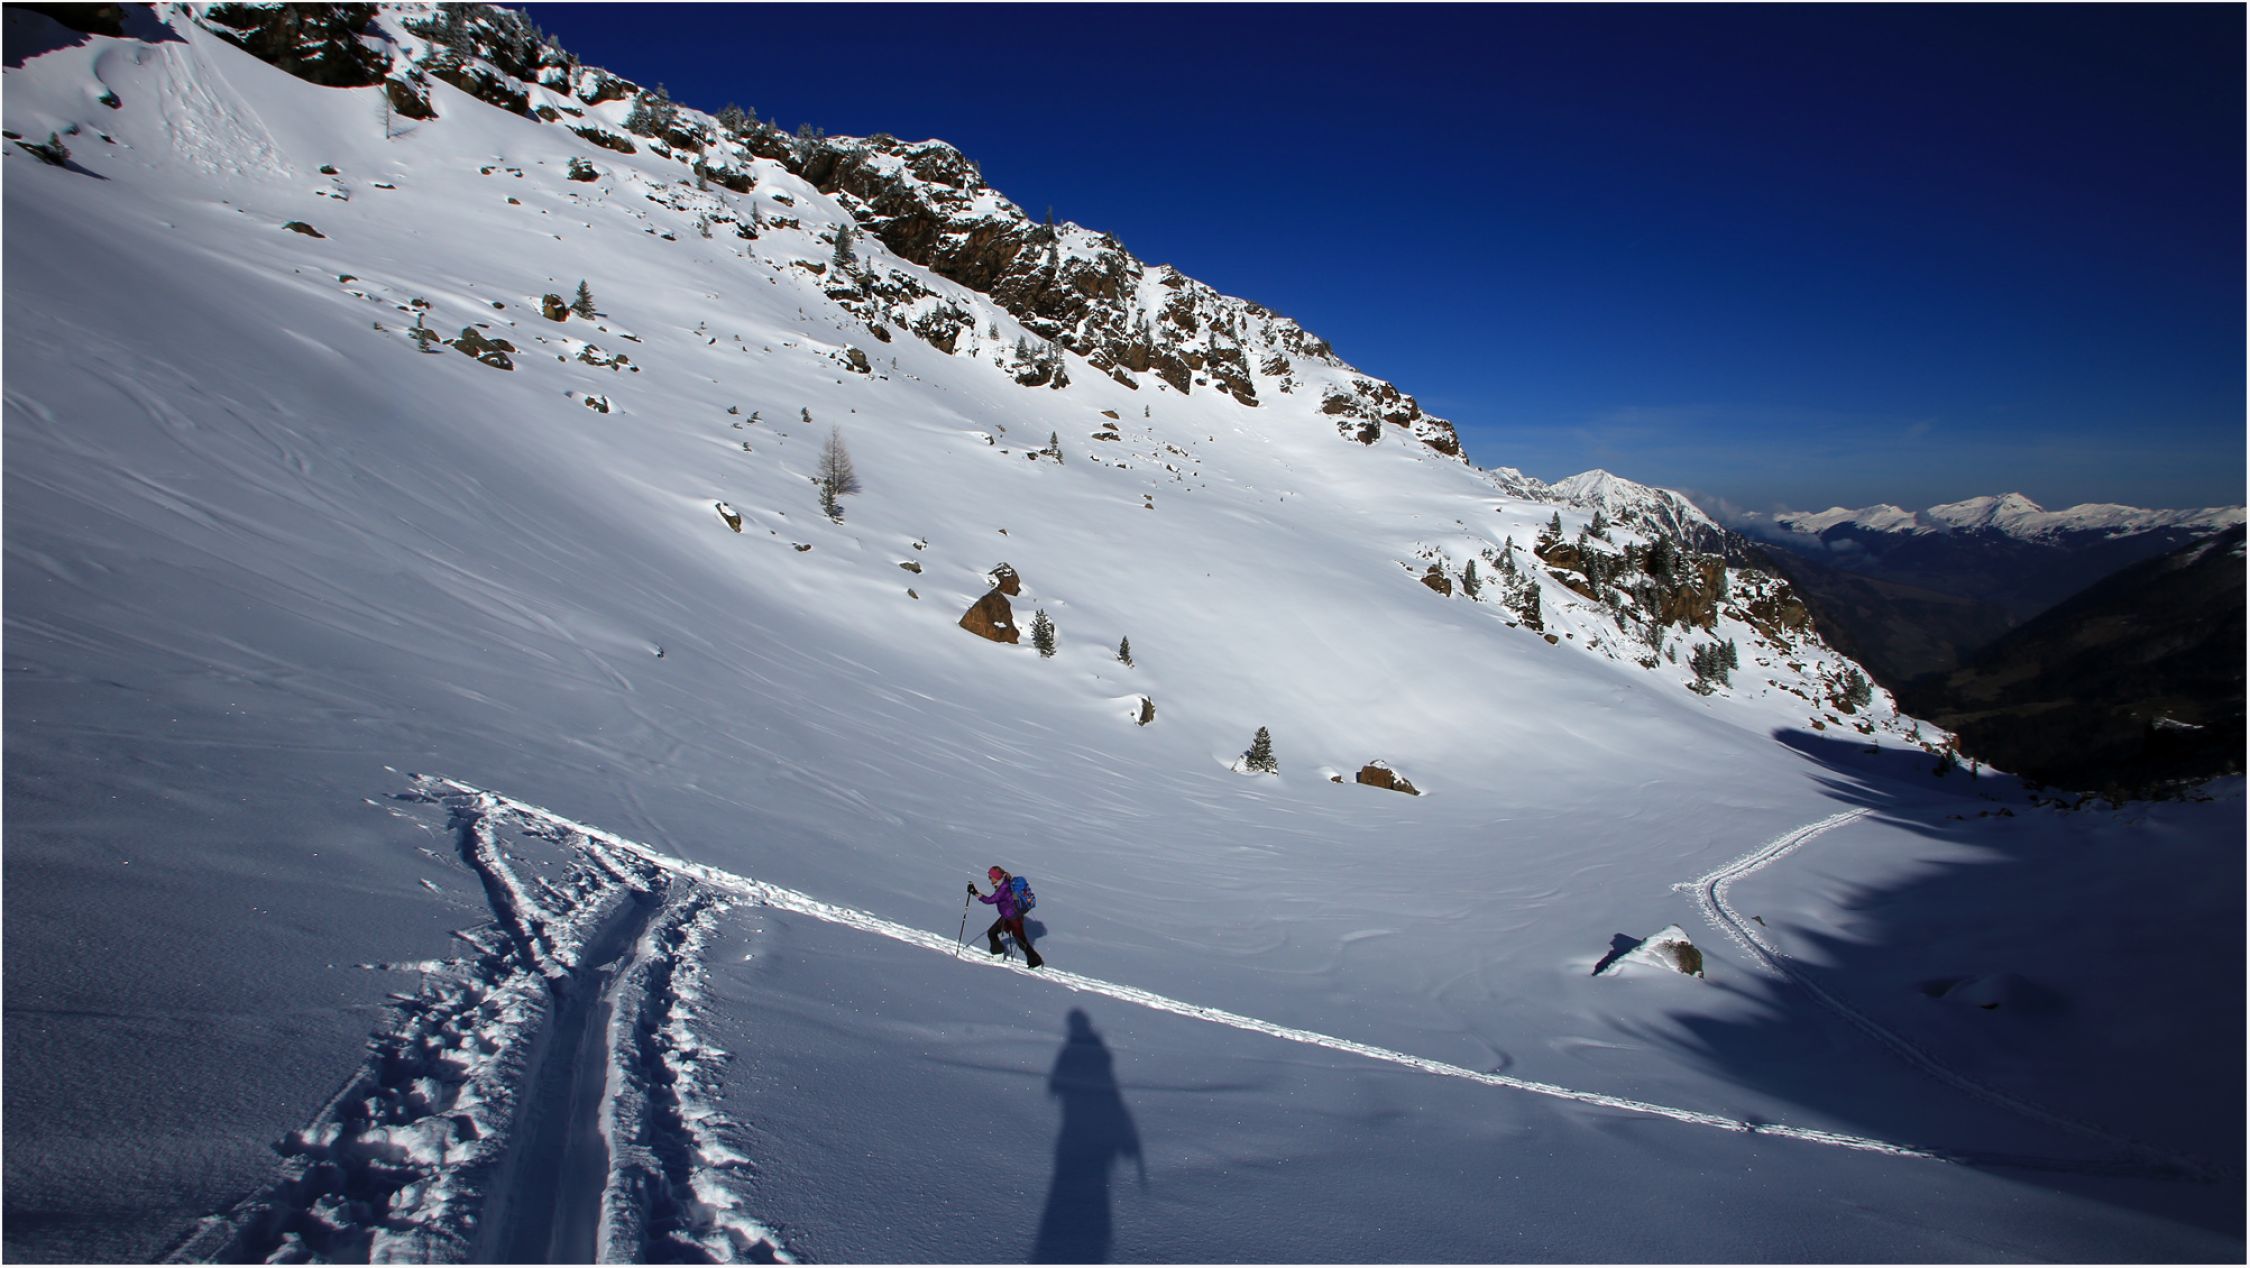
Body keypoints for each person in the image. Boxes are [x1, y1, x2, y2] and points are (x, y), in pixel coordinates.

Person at [971, 866, 1044, 968]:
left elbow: (990, 900)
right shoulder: (1004, 882)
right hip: (1008, 916)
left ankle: (1036, 963)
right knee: (992, 932)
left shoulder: (1003, 888)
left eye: (991, 877)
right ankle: (998, 955)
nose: (990, 879)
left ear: (997, 877)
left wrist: (975, 893)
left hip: (1013, 918)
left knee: (1022, 942)